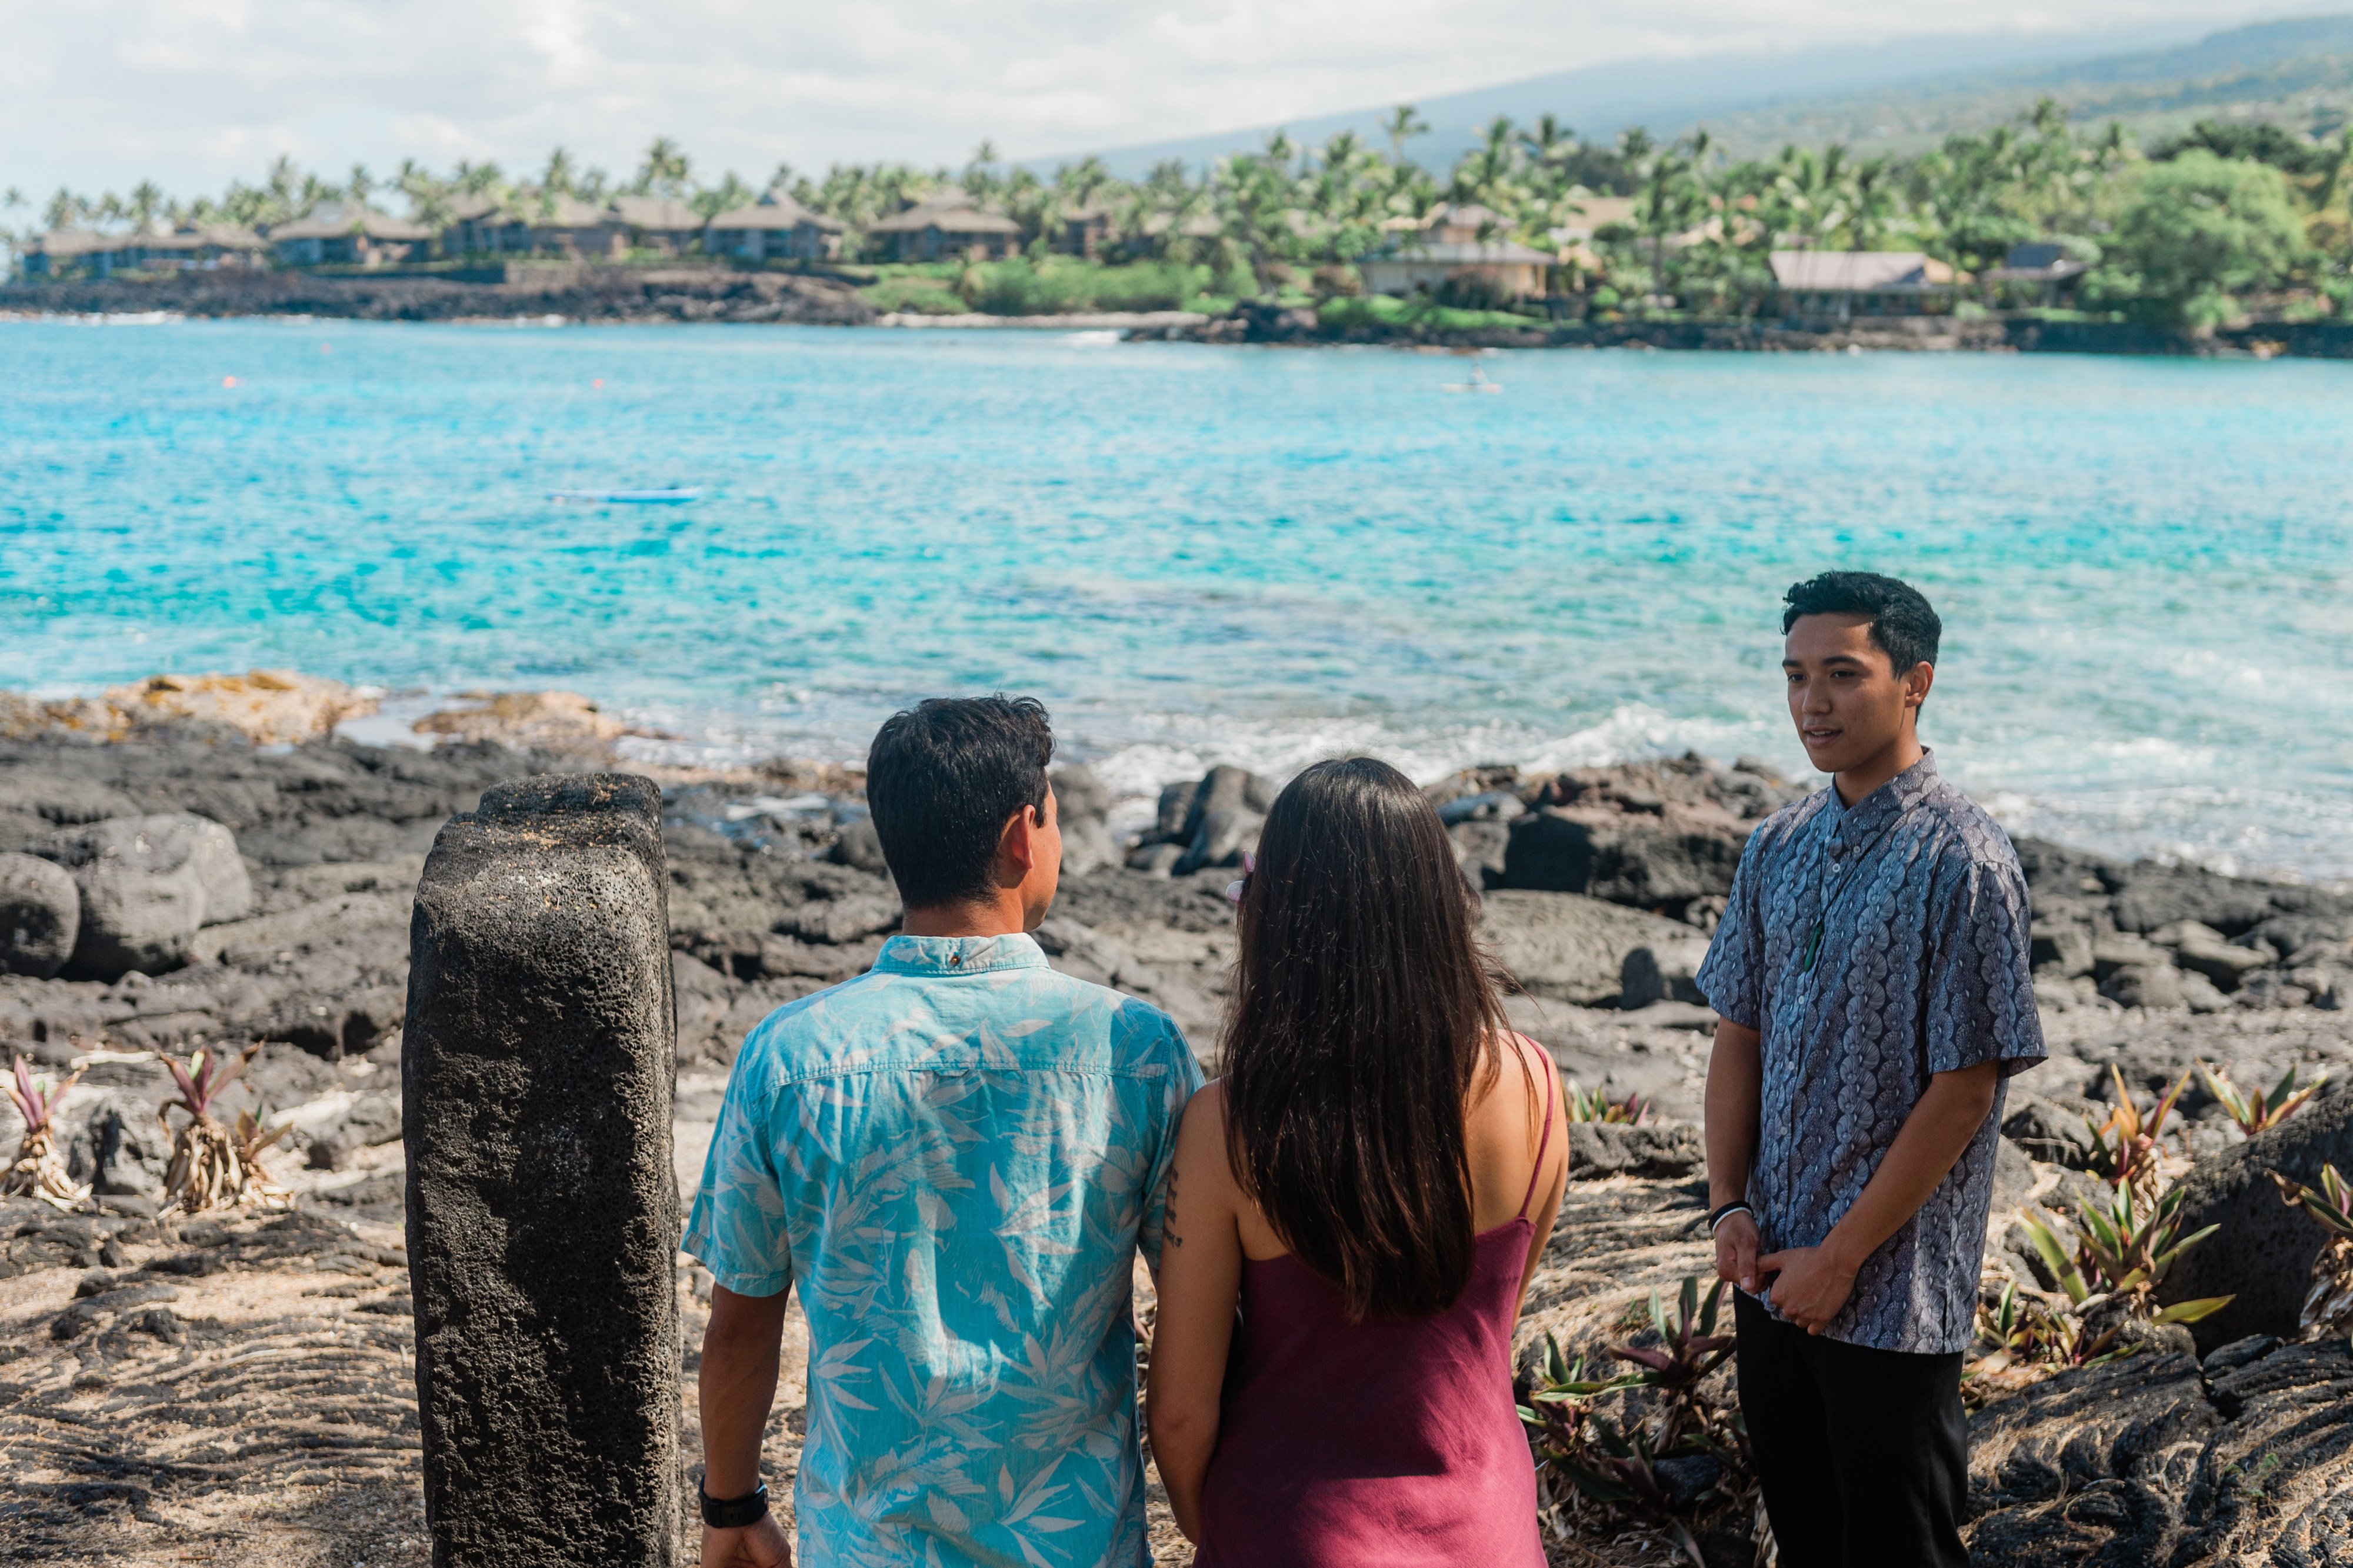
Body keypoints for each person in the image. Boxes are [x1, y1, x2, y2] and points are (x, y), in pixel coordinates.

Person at [684, 695, 1204, 1568]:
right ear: (1022, 837)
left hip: (866, 1548)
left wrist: (731, 1505)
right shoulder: (1137, 1053)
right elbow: (1202, 1316)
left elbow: (740, 1325)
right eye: (1053, 818)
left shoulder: (790, 1057)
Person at [1698, 572, 2044, 1568]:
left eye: (1843, 674)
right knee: (1808, 1545)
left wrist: (1842, 1257)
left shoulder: (1966, 859)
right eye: (1796, 675)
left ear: (1915, 682)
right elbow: (1738, 1033)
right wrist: (1727, 1206)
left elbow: (1967, 1088)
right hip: (1770, 1279)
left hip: (1894, 1306)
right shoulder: (1776, 845)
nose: (1813, 702)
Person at [1145, 756, 1569, 1567]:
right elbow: (1489, 1324)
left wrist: (1227, 1527)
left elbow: (1179, 1412)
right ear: (1440, 902)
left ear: (1278, 916)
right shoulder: (1536, 1083)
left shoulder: (1231, 1125)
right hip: (1487, 1530)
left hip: (1291, 1532)